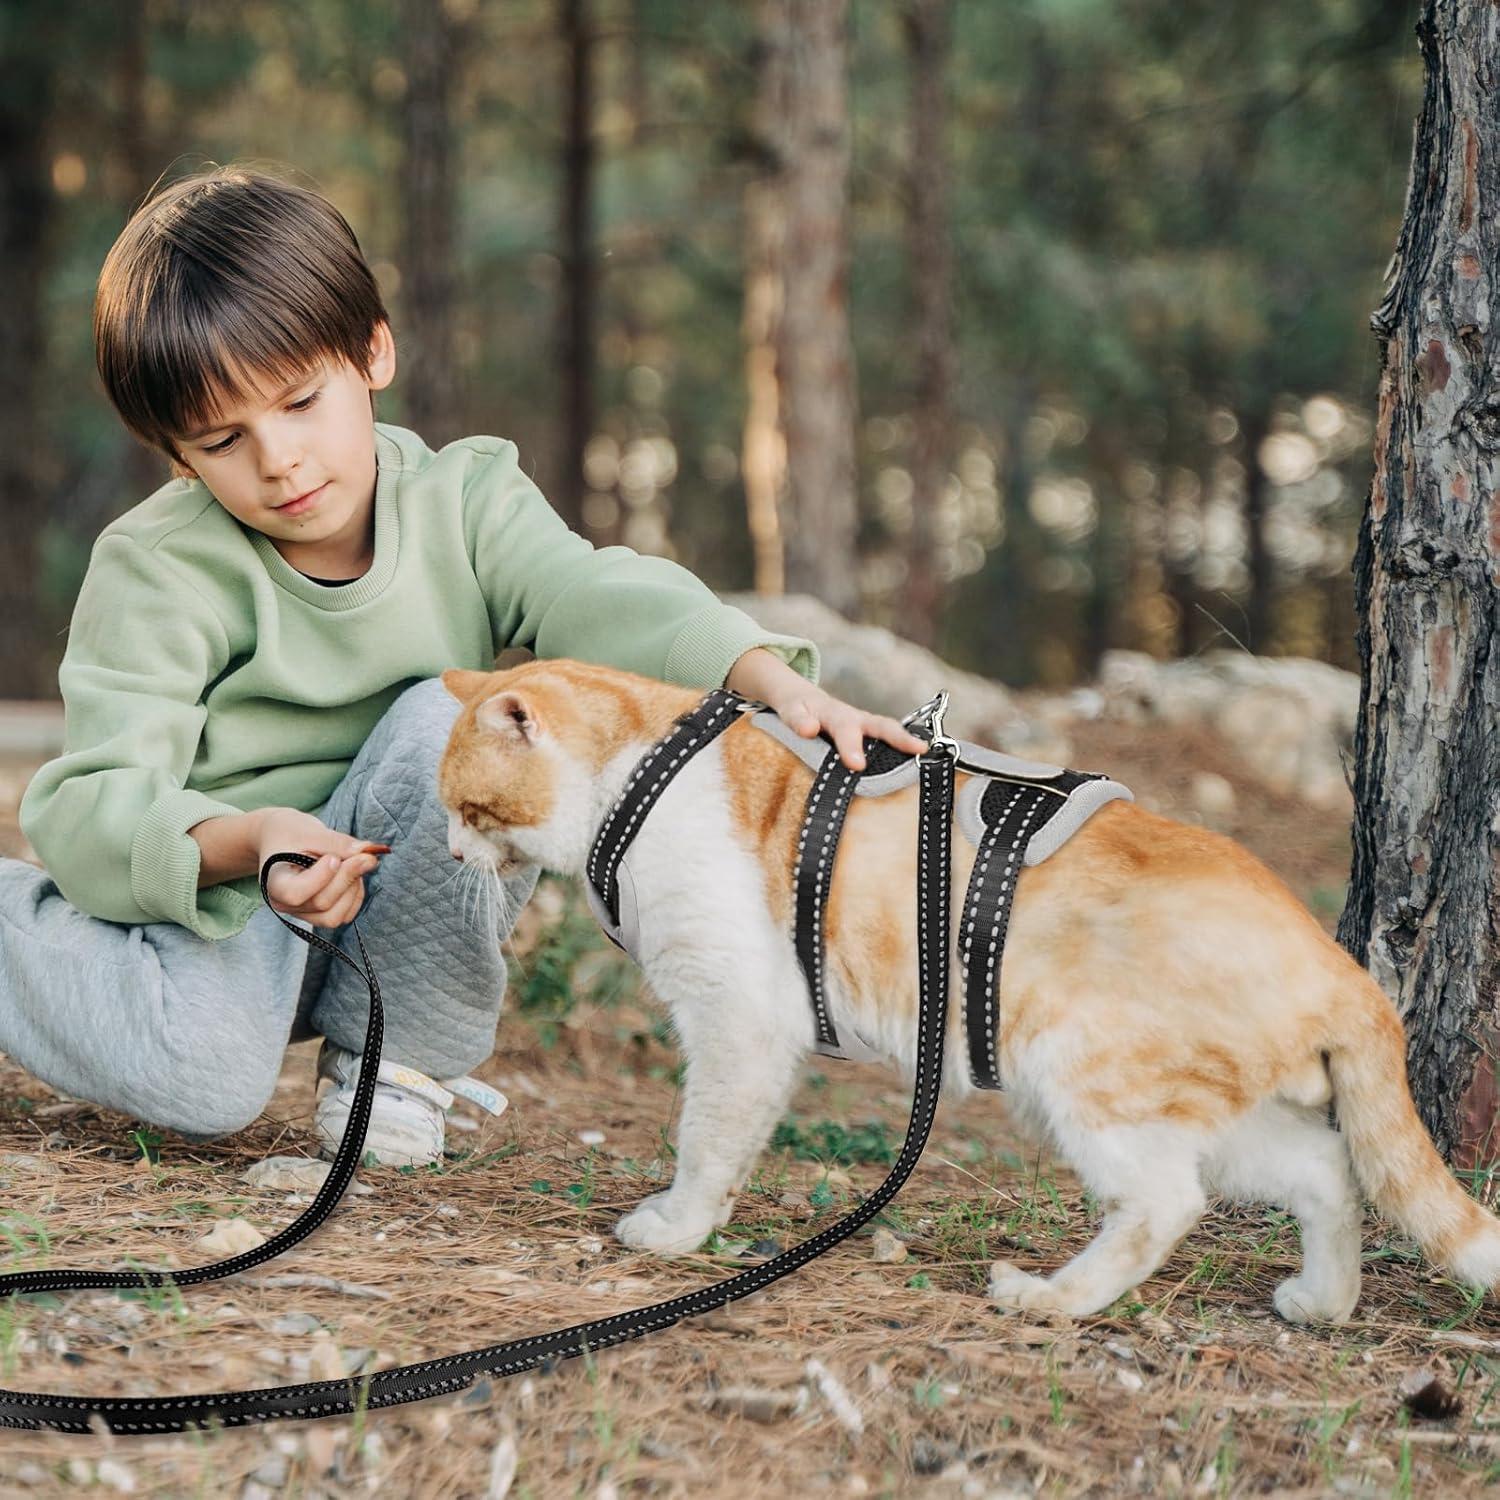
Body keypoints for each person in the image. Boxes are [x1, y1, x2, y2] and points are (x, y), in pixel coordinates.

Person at [0, 164, 927, 1168]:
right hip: (228, 893)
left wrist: (772, 682)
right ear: (179, 456)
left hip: (401, 895)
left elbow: (595, 593)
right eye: (224, 440)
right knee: (202, 1088)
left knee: (467, 717)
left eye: (301, 401)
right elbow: (94, 804)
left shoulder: (467, 500)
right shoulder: (159, 569)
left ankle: (394, 1067)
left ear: (373, 351)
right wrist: (253, 840)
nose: (278, 460)